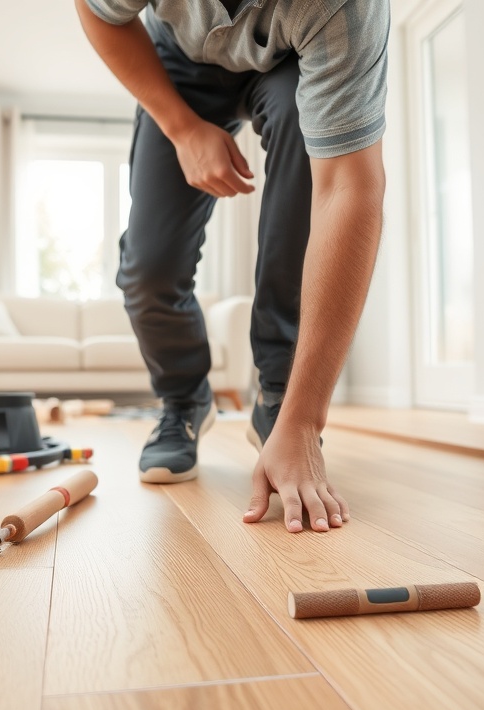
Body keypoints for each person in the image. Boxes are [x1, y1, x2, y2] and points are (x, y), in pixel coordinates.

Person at [75, 0, 389, 534]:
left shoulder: (343, 9)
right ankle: (183, 402)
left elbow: (349, 191)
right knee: (148, 270)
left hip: (290, 61)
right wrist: (181, 129)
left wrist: (306, 416)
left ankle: (279, 402)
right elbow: (99, 11)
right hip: (180, 61)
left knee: (297, 120)